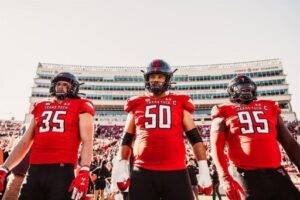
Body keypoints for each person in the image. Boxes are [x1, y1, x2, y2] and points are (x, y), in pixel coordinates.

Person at [113, 59, 212, 200]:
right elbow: (126, 139)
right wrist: (122, 165)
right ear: (147, 79)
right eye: (152, 77)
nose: (155, 80)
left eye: (160, 77)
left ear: (167, 79)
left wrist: (203, 168)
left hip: (176, 171)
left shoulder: (180, 103)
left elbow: (195, 139)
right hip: (142, 172)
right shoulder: (136, 104)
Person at [0, 72, 95, 200]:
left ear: (74, 87)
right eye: (58, 84)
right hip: (34, 170)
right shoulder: (40, 106)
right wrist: (5, 168)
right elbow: (25, 141)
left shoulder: (82, 105)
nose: (61, 87)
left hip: (62, 170)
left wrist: (84, 170)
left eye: (65, 84)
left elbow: (87, 140)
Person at [210, 74, 300, 200]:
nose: (246, 91)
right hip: (245, 173)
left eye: (248, 88)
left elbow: (288, 141)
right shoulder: (223, 110)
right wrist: (224, 177)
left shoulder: (269, 107)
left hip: (276, 172)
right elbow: (216, 147)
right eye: (241, 88)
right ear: (232, 92)